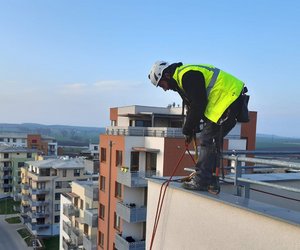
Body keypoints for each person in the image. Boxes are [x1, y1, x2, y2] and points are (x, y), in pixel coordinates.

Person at [148, 61, 249, 191]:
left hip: (228, 99)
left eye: (162, 84)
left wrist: (187, 128)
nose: (165, 89)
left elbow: (199, 104)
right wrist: (191, 129)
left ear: (166, 75)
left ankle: (201, 181)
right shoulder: (181, 79)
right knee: (211, 142)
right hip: (226, 102)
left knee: (207, 140)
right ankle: (211, 181)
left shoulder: (188, 76)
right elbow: (192, 106)